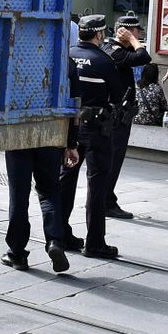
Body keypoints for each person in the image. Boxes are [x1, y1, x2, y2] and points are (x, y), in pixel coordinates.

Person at [57, 15, 123, 260]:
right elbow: (116, 96)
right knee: (97, 184)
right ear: (98, 35)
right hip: (96, 129)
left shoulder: (69, 53)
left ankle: (60, 233)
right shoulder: (104, 61)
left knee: (65, 179)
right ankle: (95, 242)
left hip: (70, 127)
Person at [99, 11, 151, 220]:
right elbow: (144, 57)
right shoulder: (114, 50)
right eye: (136, 31)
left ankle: (107, 198)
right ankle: (105, 201)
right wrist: (131, 39)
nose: (138, 36)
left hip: (119, 114)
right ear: (126, 31)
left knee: (113, 159)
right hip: (115, 117)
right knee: (113, 158)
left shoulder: (115, 49)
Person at [1, 143, 78, 273]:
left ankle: (17, 252)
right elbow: (74, 121)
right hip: (50, 140)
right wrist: (71, 144)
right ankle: (55, 241)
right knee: (50, 193)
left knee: (18, 195)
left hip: (19, 139)